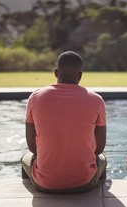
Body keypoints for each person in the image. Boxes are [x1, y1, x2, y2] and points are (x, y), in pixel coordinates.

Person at [21, 51, 107, 193]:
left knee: (25, 157)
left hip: (46, 184)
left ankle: (32, 195)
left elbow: (32, 147)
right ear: (80, 75)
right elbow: (99, 149)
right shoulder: (97, 100)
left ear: (56, 73)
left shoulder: (35, 98)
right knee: (102, 159)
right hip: (84, 183)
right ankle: (100, 196)